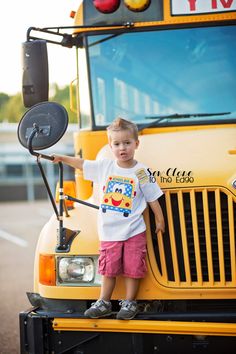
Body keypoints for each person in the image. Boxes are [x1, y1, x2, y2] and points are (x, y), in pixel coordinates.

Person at [52, 117, 165, 320]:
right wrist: (63, 158)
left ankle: (130, 303)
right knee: (108, 269)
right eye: (117, 144)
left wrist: (160, 220)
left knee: (133, 269)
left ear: (136, 144)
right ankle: (104, 301)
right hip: (109, 231)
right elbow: (82, 164)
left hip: (134, 230)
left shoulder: (141, 171)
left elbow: (152, 197)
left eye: (127, 143)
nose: (123, 148)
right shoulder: (105, 167)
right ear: (110, 146)